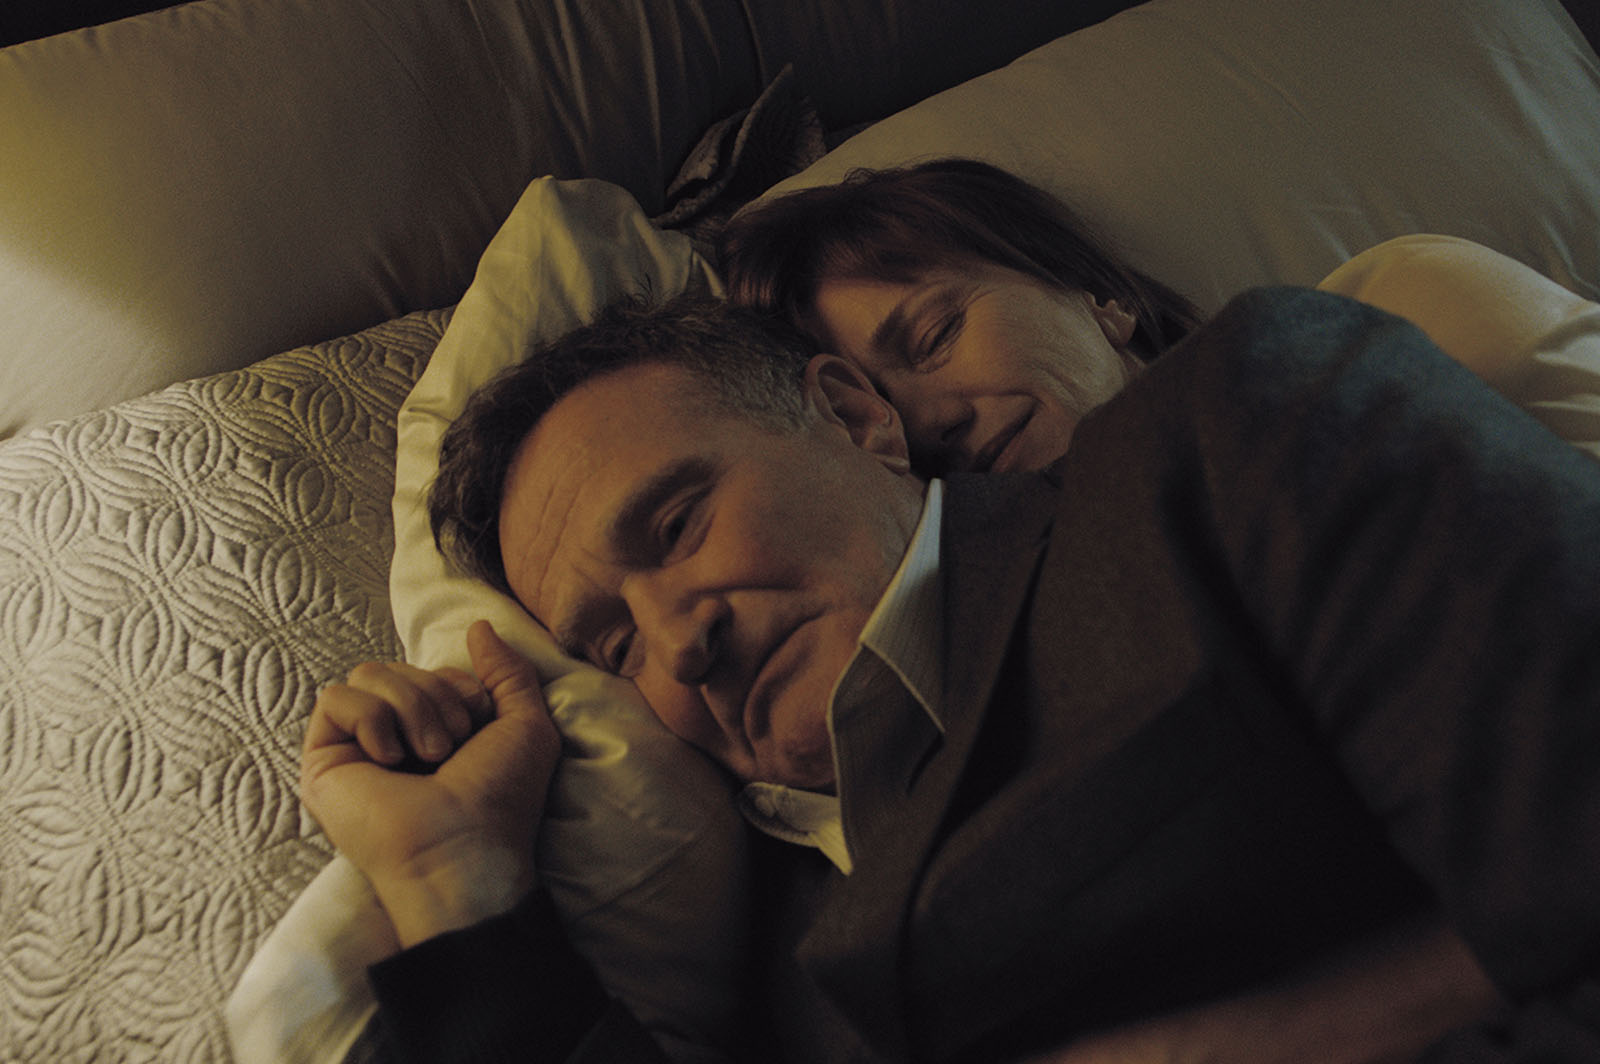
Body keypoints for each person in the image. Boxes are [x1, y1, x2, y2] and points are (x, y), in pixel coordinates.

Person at [300, 290, 1600, 1062]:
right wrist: (452, 874)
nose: (677, 642)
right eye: (611, 645)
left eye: (681, 525)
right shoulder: (763, 948)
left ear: (855, 416)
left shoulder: (1216, 440)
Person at [718, 158, 1600, 470]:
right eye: (875, 410)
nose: (925, 424)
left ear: (1099, 299)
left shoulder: (1402, 308)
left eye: (935, 335)